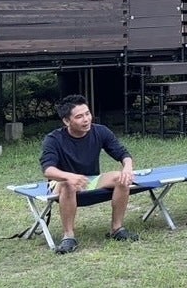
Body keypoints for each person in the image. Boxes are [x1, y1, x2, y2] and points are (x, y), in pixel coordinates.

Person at [40, 94, 139, 254]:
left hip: (89, 180)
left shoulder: (100, 131)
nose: (86, 119)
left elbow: (123, 154)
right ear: (67, 121)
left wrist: (127, 167)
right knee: (68, 184)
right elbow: (48, 170)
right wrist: (69, 176)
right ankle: (68, 237)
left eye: (87, 114)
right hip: (60, 183)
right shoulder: (53, 139)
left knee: (121, 178)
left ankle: (117, 229)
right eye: (79, 116)